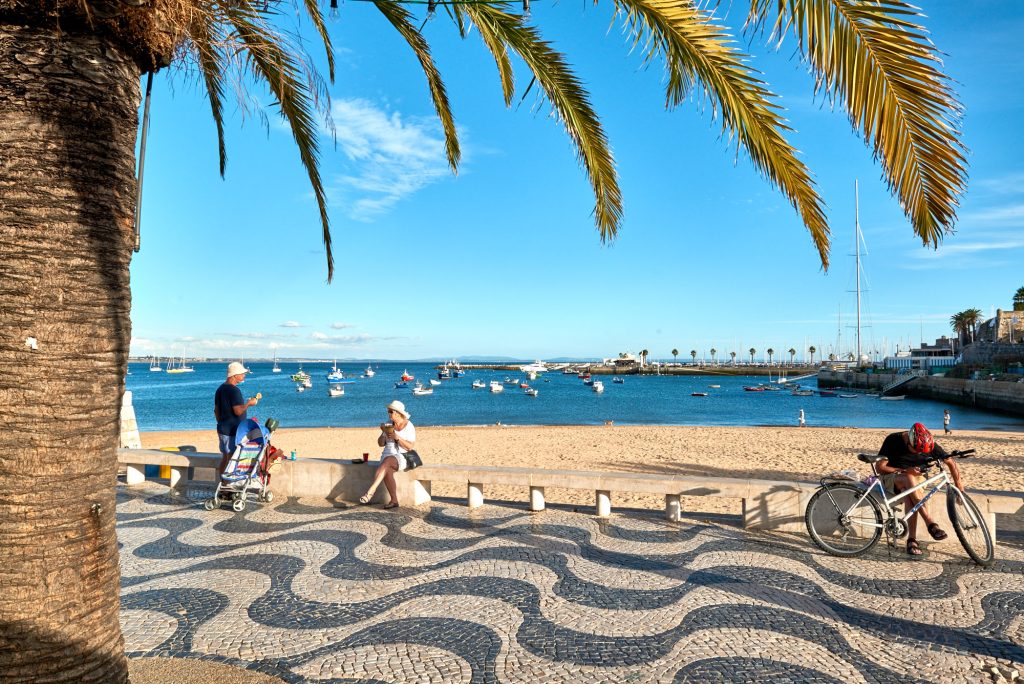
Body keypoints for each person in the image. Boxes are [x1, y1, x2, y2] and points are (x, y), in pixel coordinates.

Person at [875, 422, 964, 557]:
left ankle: (912, 540)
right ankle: (930, 522)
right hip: (893, 477)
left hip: (917, 480)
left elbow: (950, 462)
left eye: (922, 452)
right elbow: (880, 468)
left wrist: (959, 485)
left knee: (909, 493)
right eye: (916, 450)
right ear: (909, 442)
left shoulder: (928, 444)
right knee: (908, 478)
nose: (919, 453)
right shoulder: (893, 440)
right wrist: (904, 470)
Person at [359, 400, 416, 508]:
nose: (388, 414)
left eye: (390, 412)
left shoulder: (409, 425)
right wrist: (384, 432)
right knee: (387, 470)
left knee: (387, 461)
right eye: (388, 412)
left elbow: (410, 447)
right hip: (387, 456)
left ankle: (370, 491)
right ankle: (394, 501)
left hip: (402, 456)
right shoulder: (388, 424)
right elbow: (380, 444)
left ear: (397, 413)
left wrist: (397, 438)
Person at [214, 361, 259, 474]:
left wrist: (221, 423)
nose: (244, 375)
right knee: (231, 457)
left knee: (225, 457)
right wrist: (249, 403)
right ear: (234, 375)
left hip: (223, 428)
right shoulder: (234, 390)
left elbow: (216, 411)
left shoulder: (220, 389)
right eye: (242, 373)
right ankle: (226, 484)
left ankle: (222, 483)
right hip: (232, 431)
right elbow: (238, 411)